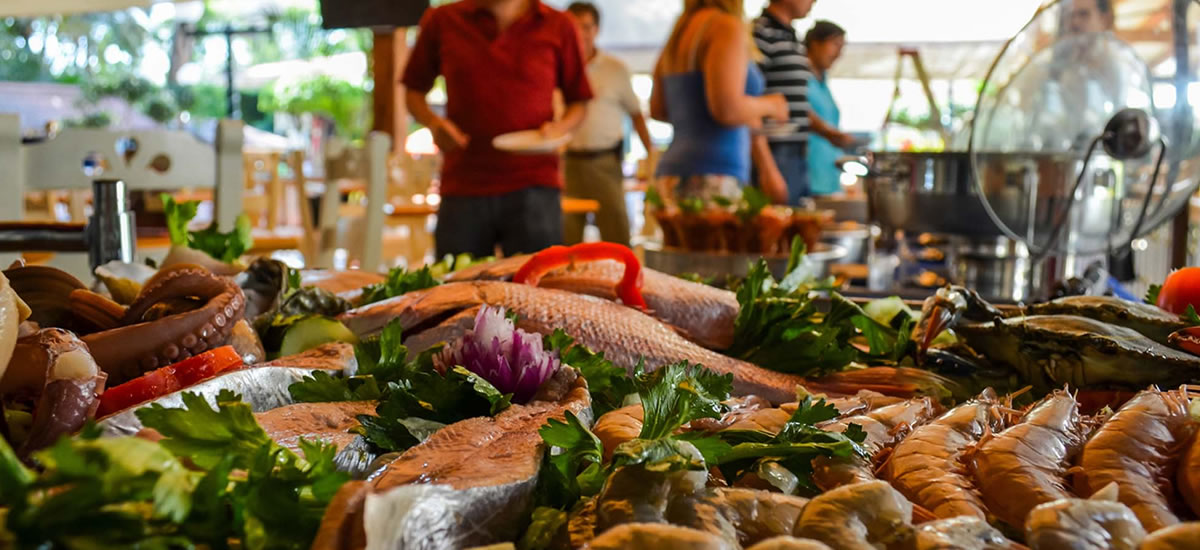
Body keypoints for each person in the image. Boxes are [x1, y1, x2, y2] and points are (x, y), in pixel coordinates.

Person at [402, 0, 593, 257]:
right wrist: (434, 123)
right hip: (464, 184)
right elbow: (413, 90)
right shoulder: (442, 20)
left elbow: (579, 100)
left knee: (538, 291)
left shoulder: (559, 24)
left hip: (535, 185)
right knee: (456, 289)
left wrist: (559, 129)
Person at [651, 0, 789, 206]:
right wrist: (772, 105)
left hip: (673, 172)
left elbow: (659, 109)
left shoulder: (681, 29)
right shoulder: (725, 26)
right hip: (713, 174)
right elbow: (726, 110)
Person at [562, 2, 653, 246]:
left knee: (616, 235)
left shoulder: (615, 69)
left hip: (605, 162)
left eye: (586, 27)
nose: (580, 33)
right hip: (566, 163)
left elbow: (636, 114)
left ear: (597, 30)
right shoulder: (555, 67)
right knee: (564, 241)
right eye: (574, 26)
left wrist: (651, 155)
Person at [753, 0, 854, 205]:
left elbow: (794, 105)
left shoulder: (791, 37)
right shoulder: (760, 33)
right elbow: (749, 100)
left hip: (797, 156)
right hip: (774, 154)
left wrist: (827, 132)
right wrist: (767, 168)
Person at [804, 21, 847, 196]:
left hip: (829, 176)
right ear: (815, 43)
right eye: (835, 44)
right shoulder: (800, 77)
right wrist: (829, 133)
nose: (838, 53)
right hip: (808, 175)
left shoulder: (823, 80)